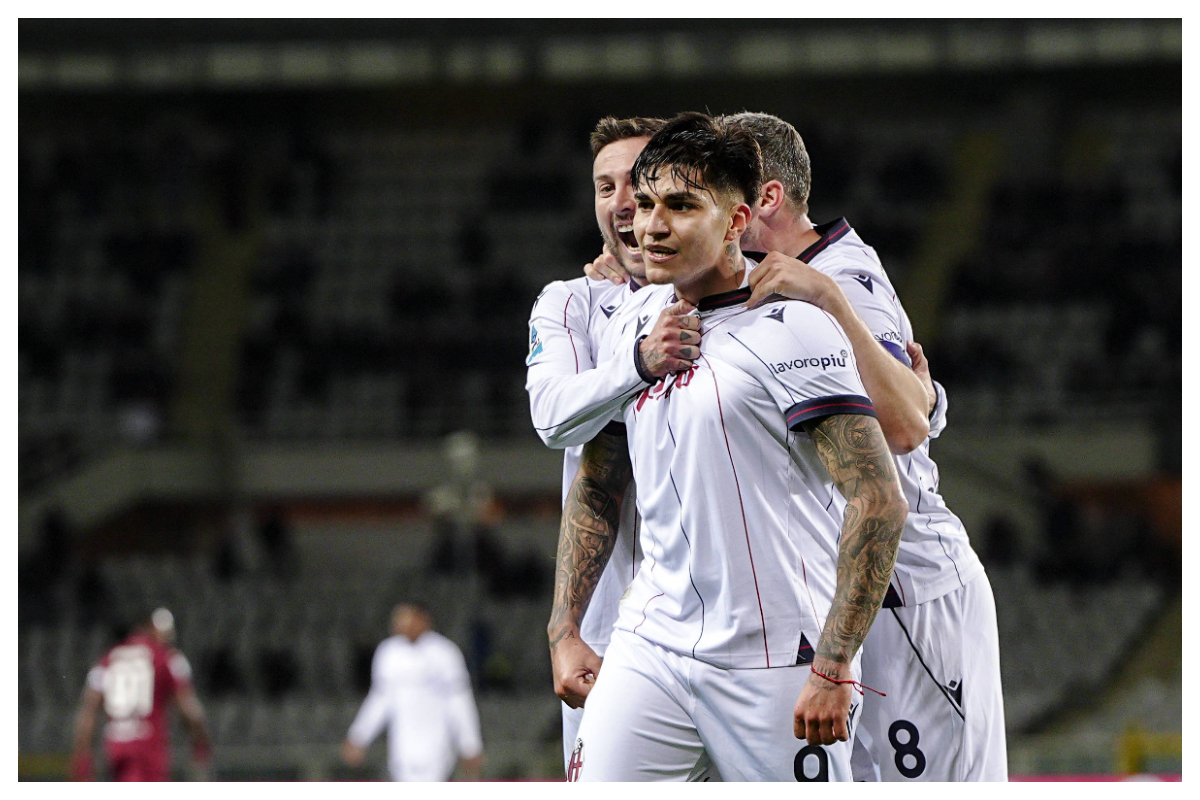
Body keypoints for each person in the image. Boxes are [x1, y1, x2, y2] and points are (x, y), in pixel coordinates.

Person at [588, 111, 1007, 781]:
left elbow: (904, 429)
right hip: (798, 593)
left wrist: (831, 303)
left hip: (906, 593)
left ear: (758, 203)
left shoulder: (836, 278)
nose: (658, 218)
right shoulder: (735, 287)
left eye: (709, 193)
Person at [525, 116, 718, 779]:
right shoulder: (572, 304)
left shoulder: (738, 299)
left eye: (638, 182)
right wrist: (638, 359)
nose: (623, 201)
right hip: (609, 640)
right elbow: (554, 417)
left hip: (735, 637)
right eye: (604, 186)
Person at [341, 604, 484, 781]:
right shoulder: (389, 653)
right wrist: (359, 736)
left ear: (422, 619)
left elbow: (460, 701)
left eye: (406, 618)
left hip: (436, 743)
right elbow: (380, 700)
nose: (399, 623)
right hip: (402, 746)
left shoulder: (444, 653)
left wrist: (469, 744)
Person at [70, 608, 211, 782]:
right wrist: (200, 741)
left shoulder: (108, 658)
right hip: (149, 746)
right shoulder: (167, 657)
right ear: (148, 628)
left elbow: (88, 709)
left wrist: (82, 756)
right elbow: (189, 709)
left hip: (116, 745)